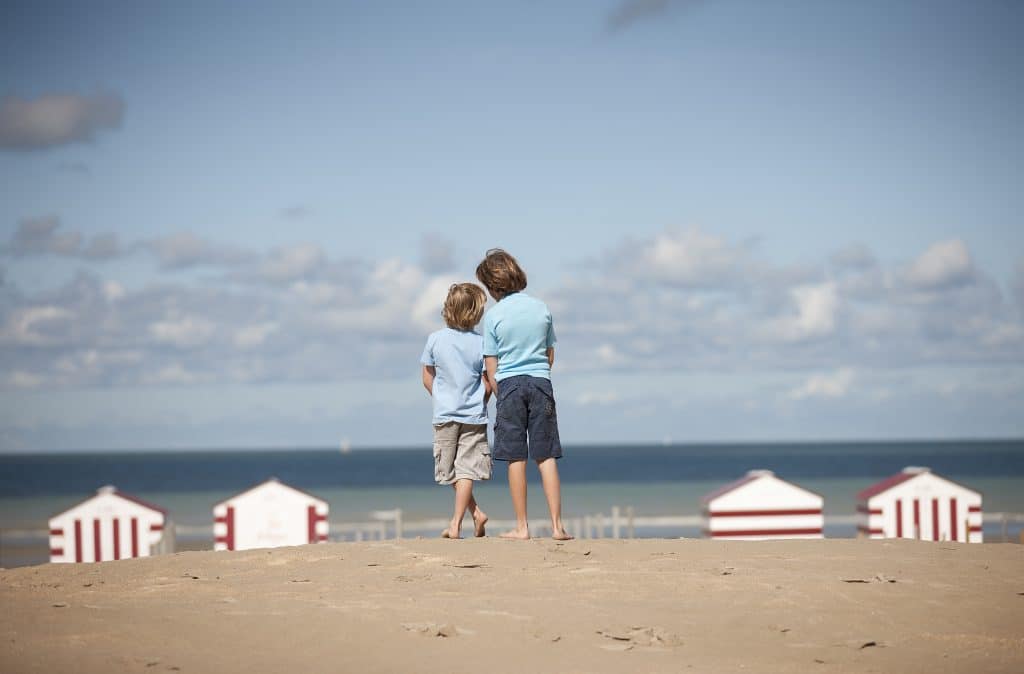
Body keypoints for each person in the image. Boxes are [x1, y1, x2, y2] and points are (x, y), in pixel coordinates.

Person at [476, 249, 572, 540]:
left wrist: (496, 391)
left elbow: (491, 363)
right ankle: (557, 526)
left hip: (510, 385)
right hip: (541, 382)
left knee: (516, 457)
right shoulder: (541, 308)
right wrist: (539, 374)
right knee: (546, 456)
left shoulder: (493, 316)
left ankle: (522, 526)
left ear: (493, 286)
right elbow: (550, 353)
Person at [420, 282, 492, 539]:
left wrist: (441, 398)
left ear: (447, 309)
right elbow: (487, 380)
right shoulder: (482, 342)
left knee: (452, 470)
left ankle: (455, 524)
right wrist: (480, 399)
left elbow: (427, 377)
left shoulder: (435, 340)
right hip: (474, 414)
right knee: (464, 470)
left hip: (445, 414)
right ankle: (476, 514)